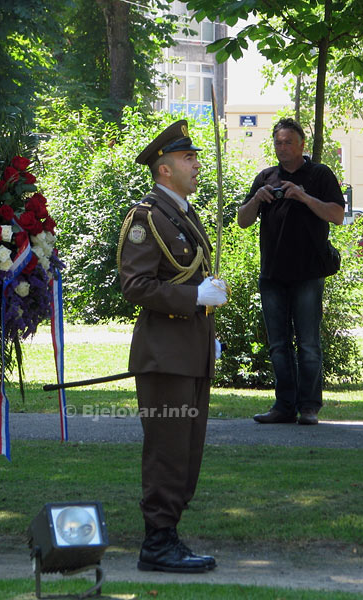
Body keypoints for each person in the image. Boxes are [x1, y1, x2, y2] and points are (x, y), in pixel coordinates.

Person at [117, 120, 226, 573]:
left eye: (196, 157)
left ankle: (170, 535)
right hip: (164, 356)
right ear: (164, 169)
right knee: (167, 451)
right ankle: (157, 543)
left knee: (188, 451)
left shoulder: (180, 213)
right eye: (188, 158)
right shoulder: (147, 217)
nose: (197, 165)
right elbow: (135, 285)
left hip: (189, 352)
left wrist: (208, 327)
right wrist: (193, 297)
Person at [237, 118, 344, 426]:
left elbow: (337, 215)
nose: (282, 148)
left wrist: (303, 196)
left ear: (301, 146)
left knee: (308, 343)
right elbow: (242, 220)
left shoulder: (320, 175)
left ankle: (309, 407)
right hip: (272, 274)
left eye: (288, 142)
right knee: (278, 345)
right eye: (278, 143)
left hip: (308, 273)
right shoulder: (266, 177)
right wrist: (257, 199)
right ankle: (284, 405)